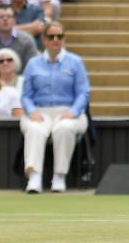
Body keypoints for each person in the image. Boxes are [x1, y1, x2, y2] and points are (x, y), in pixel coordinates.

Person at [19, 22, 89, 193]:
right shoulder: (33, 64)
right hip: (39, 111)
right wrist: (32, 111)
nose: (55, 40)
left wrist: (72, 112)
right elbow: (26, 95)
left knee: (64, 128)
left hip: (68, 111)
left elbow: (83, 93)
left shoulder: (75, 62)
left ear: (64, 39)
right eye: (51, 36)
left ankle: (59, 176)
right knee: (34, 129)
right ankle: (34, 177)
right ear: (44, 40)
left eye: (60, 36)